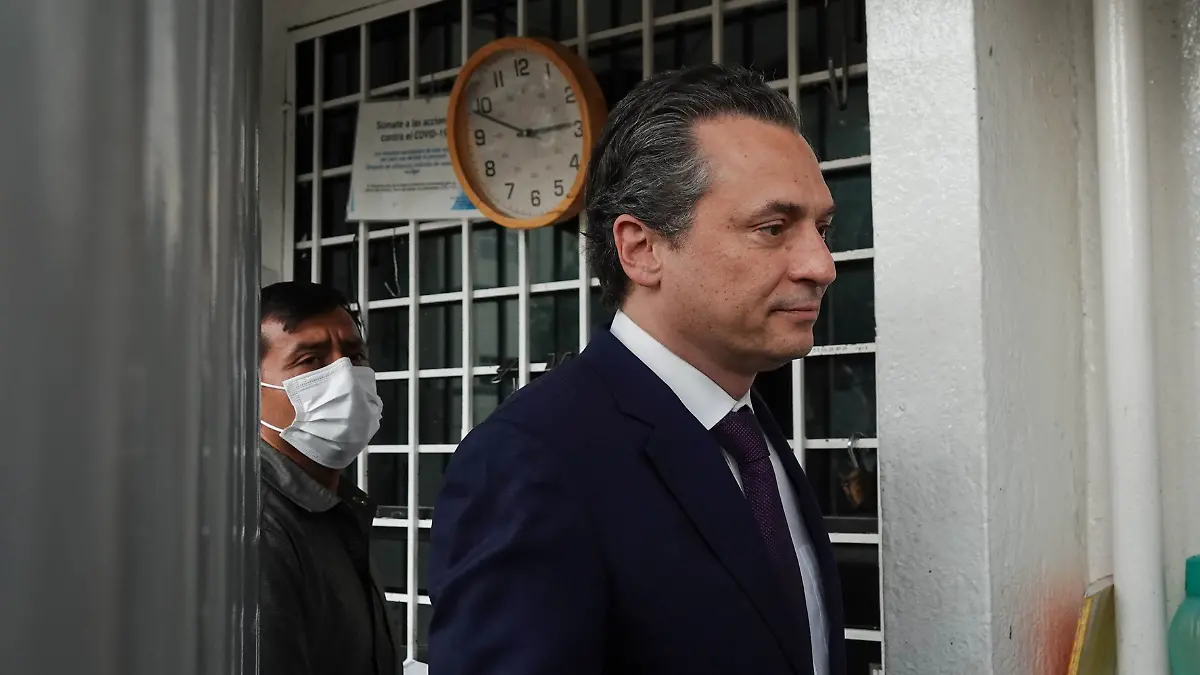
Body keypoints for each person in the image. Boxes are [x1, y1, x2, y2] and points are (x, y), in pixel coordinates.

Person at [428, 63, 845, 675]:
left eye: (822, 228)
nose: (821, 264)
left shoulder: (749, 434)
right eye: (772, 228)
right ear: (641, 248)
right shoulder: (532, 461)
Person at [257, 281, 397, 675]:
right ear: (249, 385)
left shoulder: (336, 505)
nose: (345, 377)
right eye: (311, 360)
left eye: (354, 355)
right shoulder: (257, 526)